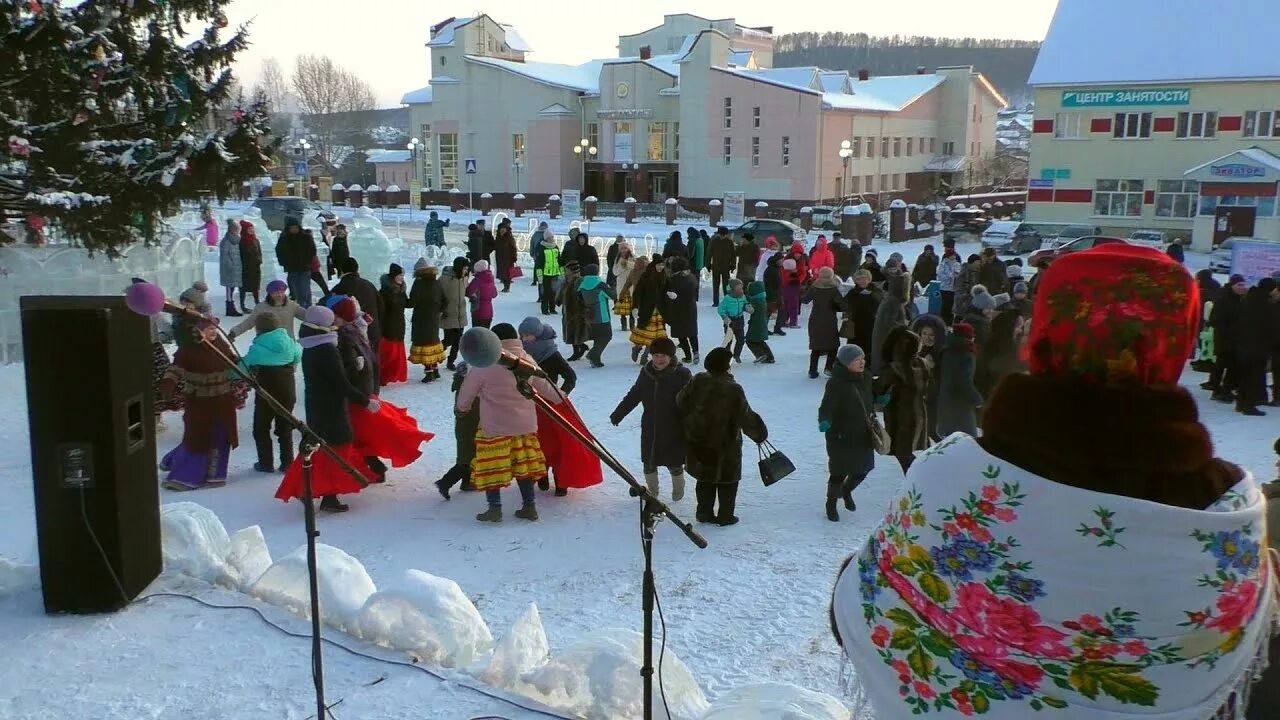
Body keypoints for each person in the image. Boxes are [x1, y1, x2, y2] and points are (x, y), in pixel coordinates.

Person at [831, 243, 1279, 720]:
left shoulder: (951, 474)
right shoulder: (1226, 512)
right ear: (1179, 342)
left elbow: (861, 607)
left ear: (1044, 332)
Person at [274, 305, 379, 513]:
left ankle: (315, 491)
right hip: (331, 407)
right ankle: (320, 492)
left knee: (319, 447)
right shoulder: (327, 349)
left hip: (317, 403)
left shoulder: (311, 345)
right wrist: (365, 401)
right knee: (335, 449)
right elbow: (340, 382)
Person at [456, 323, 557, 523]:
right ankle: (529, 506)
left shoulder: (484, 364)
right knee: (523, 466)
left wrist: (462, 408)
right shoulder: (525, 360)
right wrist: (560, 397)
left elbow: (467, 392)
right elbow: (543, 385)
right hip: (524, 427)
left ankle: (494, 508)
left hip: (494, 427)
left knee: (492, 466)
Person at [676, 347, 768, 526]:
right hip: (725, 444)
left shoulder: (698, 380)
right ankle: (725, 515)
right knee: (728, 481)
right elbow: (745, 417)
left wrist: (693, 419)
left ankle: (704, 513)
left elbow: (680, 400)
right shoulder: (732, 389)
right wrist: (760, 434)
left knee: (704, 479)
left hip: (699, 440)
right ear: (727, 366)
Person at [158, 320, 240, 491]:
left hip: (223, 400)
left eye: (214, 328)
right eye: (209, 329)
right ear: (198, 331)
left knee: (221, 435)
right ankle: (185, 477)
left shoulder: (220, 345)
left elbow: (233, 361)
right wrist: (168, 382)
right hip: (199, 401)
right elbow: (175, 369)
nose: (213, 332)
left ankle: (215, 474)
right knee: (197, 438)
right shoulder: (188, 350)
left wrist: (243, 368)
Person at [610, 338, 691, 500]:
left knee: (674, 462)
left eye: (663, 356)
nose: (659, 360)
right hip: (650, 425)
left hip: (674, 427)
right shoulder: (646, 373)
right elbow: (635, 394)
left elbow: (693, 400)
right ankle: (652, 493)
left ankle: (678, 491)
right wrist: (619, 412)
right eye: (655, 355)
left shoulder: (682, 374)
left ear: (671, 356)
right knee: (649, 461)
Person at [239, 313, 301, 473]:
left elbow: (241, 368)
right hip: (287, 390)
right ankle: (287, 463)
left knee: (261, 428)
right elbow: (297, 357)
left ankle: (265, 463)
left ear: (259, 328)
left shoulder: (257, 348)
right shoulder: (289, 342)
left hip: (266, 393)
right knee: (285, 427)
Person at [818, 343, 874, 521]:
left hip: (863, 433)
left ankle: (846, 490)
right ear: (846, 363)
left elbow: (870, 398)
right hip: (841, 434)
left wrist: (880, 398)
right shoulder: (836, 383)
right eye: (857, 360)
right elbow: (826, 406)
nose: (862, 362)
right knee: (839, 472)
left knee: (862, 470)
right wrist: (825, 420)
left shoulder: (865, 377)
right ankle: (831, 503)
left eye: (863, 359)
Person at [874, 327, 929, 474]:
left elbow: (879, 389)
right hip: (919, 414)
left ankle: (918, 484)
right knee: (906, 453)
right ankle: (919, 481)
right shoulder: (922, 364)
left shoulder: (894, 369)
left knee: (903, 453)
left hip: (900, 418)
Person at [435, 361, 477, 499]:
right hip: (470, 425)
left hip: (466, 425)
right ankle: (445, 483)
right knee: (467, 457)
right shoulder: (469, 390)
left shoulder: (462, 385)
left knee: (469, 455)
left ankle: (467, 483)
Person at [1236, 278, 1277, 416]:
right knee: (1254, 377)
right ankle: (1249, 405)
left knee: (1244, 376)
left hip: (1244, 345)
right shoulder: (1264, 304)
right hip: (1257, 347)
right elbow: (1269, 328)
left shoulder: (1249, 298)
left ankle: (1241, 403)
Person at [935, 321, 982, 437]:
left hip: (946, 403)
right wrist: (977, 399)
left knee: (948, 442)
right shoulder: (966, 354)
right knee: (966, 442)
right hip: (962, 407)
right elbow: (964, 382)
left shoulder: (946, 351)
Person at [331, 257, 383, 354]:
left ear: (342, 270)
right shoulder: (369, 285)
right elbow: (381, 307)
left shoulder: (338, 289)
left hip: (351, 336)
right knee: (372, 363)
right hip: (373, 331)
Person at [408, 259, 448, 383]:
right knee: (432, 343)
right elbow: (445, 301)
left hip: (421, 319)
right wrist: (438, 311)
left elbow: (412, 302)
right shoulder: (437, 283)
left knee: (424, 346)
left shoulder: (418, 283)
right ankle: (435, 370)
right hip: (433, 319)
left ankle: (429, 372)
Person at [228, 279, 306, 342]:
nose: (279, 295)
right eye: (276, 292)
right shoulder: (261, 307)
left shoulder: (291, 305)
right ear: (270, 294)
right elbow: (249, 322)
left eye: (282, 292)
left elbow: (308, 316)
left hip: (287, 344)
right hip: (267, 344)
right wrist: (234, 333)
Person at [804, 267, 846, 378]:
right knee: (833, 345)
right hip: (829, 320)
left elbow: (805, 300)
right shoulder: (833, 289)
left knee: (816, 346)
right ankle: (828, 367)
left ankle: (812, 370)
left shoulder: (814, 287)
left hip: (815, 319)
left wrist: (804, 288)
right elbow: (842, 305)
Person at [910, 313, 947, 441]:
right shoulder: (913, 351)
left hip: (935, 397)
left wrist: (932, 368)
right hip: (918, 396)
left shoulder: (942, 353)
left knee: (932, 430)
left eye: (931, 335)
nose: (927, 338)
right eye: (924, 334)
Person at [518, 316, 576, 394]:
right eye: (522, 335)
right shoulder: (521, 350)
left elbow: (571, 377)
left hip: (545, 400)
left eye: (527, 335)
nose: (523, 339)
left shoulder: (552, 354)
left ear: (537, 335)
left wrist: (559, 397)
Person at [870, 266, 909, 377]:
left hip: (885, 338)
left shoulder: (891, 298)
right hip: (887, 340)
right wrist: (904, 326)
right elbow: (889, 322)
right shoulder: (893, 300)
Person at [629, 256, 669, 364]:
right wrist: (635, 307)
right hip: (646, 310)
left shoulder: (664, 276)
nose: (661, 267)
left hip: (659, 311)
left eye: (662, 265)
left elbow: (666, 290)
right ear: (654, 265)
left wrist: (669, 294)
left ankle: (645, 355)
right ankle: (637, 348)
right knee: (644, 334)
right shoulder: (646, 277)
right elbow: (637, 292)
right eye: (659, 265)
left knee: (655, 337)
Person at [578, 263, 616, 368]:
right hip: (602, 316)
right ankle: (593, 354)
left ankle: (596, 360)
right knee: (606, 336)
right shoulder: (600, 285)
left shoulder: (582, 284)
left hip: (589, 316)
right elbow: (612, 296)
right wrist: (613, 287)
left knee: (597, 337)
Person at [377, 263, 409, 386]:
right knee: (389, 354)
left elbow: (407, 303)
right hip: (388, 326)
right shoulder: (385, 291)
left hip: (399, 324)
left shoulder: (401, 290)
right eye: (400, 275)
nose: (402, 277)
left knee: (397, 354)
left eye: (403, 275)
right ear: (393, 276)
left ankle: (393, 375)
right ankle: (383, 377)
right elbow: (381, 311)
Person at [276, 217, 317, 307]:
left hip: (305, 267)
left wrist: (308, 262)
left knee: (304, 288)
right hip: (292, 268)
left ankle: (307, 306)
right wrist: (283, 262)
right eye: (292, 228)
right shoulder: (284, 238)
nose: (294, 229)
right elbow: (279, 251)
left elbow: (312, 250)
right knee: (295, 289)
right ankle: (300, 306)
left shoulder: (306, 237)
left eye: (295, 227)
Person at [666, 257, 701, 364]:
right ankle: (696, 352)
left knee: (681, 334)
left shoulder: (674, 279)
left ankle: (688, 356)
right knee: (692, 332)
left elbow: (670, 292)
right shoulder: (692, 277)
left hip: (678, 309)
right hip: (691, 308)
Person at [440, 257, 471, 370]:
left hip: (460, 314)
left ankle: (450, 361)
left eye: (467, 269)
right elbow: (439, 296)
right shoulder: (444, 279)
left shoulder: (465, 278)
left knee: (457, 341)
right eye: (464, 268)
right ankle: (435, 353)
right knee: (448, 340)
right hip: (448, 314)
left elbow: (465, 291)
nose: (466, 271)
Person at [557, 262, 591, 361]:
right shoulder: (566, 281)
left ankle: (577, 351)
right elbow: (561, 293)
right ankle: (580, 347)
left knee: (576, 331)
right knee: (571, 331)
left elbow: (583, 296)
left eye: (567, 270)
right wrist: (558, 299)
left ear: (572, 271)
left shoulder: (579, 281)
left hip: (577, 311)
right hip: (568, 310)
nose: (565, 272)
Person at [842, 269, 882, 354]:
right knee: (854, 347)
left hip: (871, 323)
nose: (862, 281)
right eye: (859, 279)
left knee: (869, 346)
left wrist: (871, 295)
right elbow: (846, 305)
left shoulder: (876, 290)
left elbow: (880, 303)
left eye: (864, 278)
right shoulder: (853, 292)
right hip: (855, 324)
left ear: (869, 279)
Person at [718, 278, 749, 363]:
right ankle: (727, 357)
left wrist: (747, 307)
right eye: (738, 289)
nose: (741, 291)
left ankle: (737, 355)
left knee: (741, 339)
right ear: (732, 290)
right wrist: (724, 317)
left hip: (739, 319)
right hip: (730, 321)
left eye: (741, 288)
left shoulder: (743, 297)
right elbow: (720, 309)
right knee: (729, 340)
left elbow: (745, 304)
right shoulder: (727, 298)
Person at [744, 280, 775, 363]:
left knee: (749, 341)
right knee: (760, 342)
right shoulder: (762, 300)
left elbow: (749, 303)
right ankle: (770, 357)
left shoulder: (756, 302)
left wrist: (744, 303)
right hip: (762, 325)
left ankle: (760, 354)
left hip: (755, 326)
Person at [218, 219, 243, 317]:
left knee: (232, 288)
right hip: (229, 270)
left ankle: (232, 307)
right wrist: (230, 266)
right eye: (236, 229)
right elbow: (225, 256)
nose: (237, 231)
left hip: (237, 268)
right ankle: (230, 308)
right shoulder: (226, 241)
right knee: (229, 289)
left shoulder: (238, 240)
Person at [534, 230, 561, 315]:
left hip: (555, 273)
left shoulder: (555, 247)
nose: (551, 239)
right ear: (546, 238)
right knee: (546, 293)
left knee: (554, 292)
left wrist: (561, 271)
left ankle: (552, 308)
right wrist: (540, 276)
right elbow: (539, 263)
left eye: (552, 237)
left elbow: (559, 260)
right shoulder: (542, 247)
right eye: (549, 237)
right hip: (545, 274)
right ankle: (545, 309)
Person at [465, 259, 498, 330]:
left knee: (477, 334)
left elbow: (468, 292)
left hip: (478, 311)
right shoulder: (491, 279)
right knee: (485, 333)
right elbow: (494, 294)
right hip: (489, 312)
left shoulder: (477, 280)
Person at [708, 226, 736, 306]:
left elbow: (709, 254)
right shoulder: (729, 242)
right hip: (725, 266)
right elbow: (733, 255)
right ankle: (725, 301)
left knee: (717, 285)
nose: (722, 236)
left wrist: (708, 265)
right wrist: (733, 265)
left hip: (717, 266)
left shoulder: (714, 241)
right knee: (725, 285)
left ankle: (716, 302)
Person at [238, 220, 262, 313]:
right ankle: (242, 305)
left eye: (252, 228)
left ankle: (257, 303)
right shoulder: (242, 241)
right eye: (249, 229)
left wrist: (259, 260)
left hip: (255, 267)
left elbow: (259, 252)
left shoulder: (255, 240)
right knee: (243, 287)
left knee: (255, 287)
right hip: (245, 268)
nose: (252, 230)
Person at [613, 242, 638, 331]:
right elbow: (615, 272)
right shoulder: (617, 259)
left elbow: (636, 267)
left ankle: (632, 325)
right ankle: (623, 325)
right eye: (622, 248)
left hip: (630, 285)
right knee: (622, 308)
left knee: (632, 306)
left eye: (625, 248)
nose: (623, 250)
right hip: (621, 285)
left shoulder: (633, 257)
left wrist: (626, 264)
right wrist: (622, 267)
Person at [936, 246, 961, 324]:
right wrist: (950, 276)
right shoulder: (943, 265)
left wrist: (956, 275)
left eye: (954, 255)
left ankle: (949, 321)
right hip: (944, 287)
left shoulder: (957, 264)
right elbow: (940, 275)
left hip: (953, 288)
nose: (953, 256)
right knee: (945, 305)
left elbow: (958, 273)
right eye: (952, 255)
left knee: (951, 305)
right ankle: (943, 320)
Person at [764, 253, 785, 336]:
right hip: (772, 294)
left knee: (781, 310)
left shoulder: (777, 268)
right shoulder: (770, 270)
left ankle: (777, 328)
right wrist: (772, 295)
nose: (782, 262)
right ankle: (764, 328)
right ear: (776, 260)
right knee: (768, 312)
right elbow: (768, 284)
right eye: (781, 260)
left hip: (778, 293)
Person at [494, 220, 518, 292]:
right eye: (501, 229)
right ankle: (505, 286)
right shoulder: (498, 237)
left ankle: (507, 287)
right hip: (500, 258)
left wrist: (514, 257)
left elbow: (513, 248)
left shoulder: (509, 237)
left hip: (508, 258)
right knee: (502, 272)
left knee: (507, 273)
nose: (502, 230)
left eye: (504, 229)